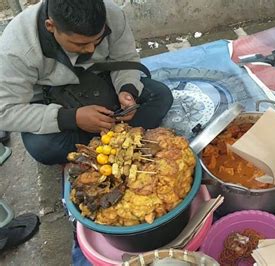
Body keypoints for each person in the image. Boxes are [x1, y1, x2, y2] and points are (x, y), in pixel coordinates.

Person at [0, 0, 173, 165]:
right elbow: (5, 111)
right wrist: (71, 118)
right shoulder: (15, 49)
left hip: (100, 81)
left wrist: (127, 90)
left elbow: (125, 58)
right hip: (51, 99)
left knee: (161, 96)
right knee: (43, 148)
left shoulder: (111, 13)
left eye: (97, 40)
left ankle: (110, 142)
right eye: (80, 44)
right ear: (50, 26)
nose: (90, 49)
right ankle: (117, 139)